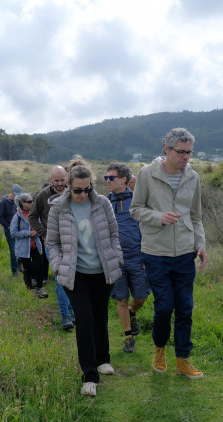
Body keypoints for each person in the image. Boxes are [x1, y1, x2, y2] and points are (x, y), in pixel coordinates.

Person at [130, 127, 207, 379]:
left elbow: (195, 216)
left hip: (185, 252)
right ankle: (159, 349)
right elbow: (136, 209)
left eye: (189, 152)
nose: (186, 157)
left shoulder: (193, 177)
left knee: (185, 307)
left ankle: (183, 359)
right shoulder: (146, 174)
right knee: (164, 307)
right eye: (181, 152)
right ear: (166, 149)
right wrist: (158, 217)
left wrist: (200, 244)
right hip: (156, 252)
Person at [47, 155, 123, 397]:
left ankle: (103, 359)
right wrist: (58, 266)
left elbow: (113, 234)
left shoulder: (102, 203)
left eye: (86, 189)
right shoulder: (58, 208)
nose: (82, 194)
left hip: (102, 271)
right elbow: (53, 242)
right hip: (74, 273)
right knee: (85, 319)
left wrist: (117, 257)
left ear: (92, 185)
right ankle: (89, 374)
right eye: (78, 190)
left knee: (100, 316)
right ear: (68, 185)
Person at [105, 162, 150, 353]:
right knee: (121, 299)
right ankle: (128, 337)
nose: (107, 181)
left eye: (111, 178)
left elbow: (148, 228)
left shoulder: (139, 200)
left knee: (140, 297)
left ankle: (132, 313)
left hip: (137, 258)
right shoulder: (104, 202)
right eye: (106, 178)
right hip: (115, 259)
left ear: (123, 179)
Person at [30, 165, 75, 330]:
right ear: (51, 180)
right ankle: (65, 315)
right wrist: (43, 233)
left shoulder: (74, 192)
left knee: (73, 277)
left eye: (63, 180)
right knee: (60, 278)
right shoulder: (42, 196)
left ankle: (72, 309)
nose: (60, 183)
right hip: (53, 243)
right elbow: (33, 217)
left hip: (73, 242)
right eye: (56, 180)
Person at [10, 193, 48, 298]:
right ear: (23, 203)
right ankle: (30, 290)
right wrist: (28, 233)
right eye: (30, 201)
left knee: (39, 267)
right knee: (28, 270)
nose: (32, 203)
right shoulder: (16, 217)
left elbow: (41, 226)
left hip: (36, 246)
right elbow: (13, 233)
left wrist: (37, 231)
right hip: (23, 249)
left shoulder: (35, 214)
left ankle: (40, 289)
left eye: (32, 201)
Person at [0, 184, 23, 277]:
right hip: (9, 231)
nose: (18, 196)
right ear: (12, 192)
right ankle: (14, 271)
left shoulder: (17, 202)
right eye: (16, 194)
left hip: (18, 230)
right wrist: (7, 226)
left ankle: (19, 264)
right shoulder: (4, 202)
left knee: (21, 249)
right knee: (13, 251)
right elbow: (0, 217)